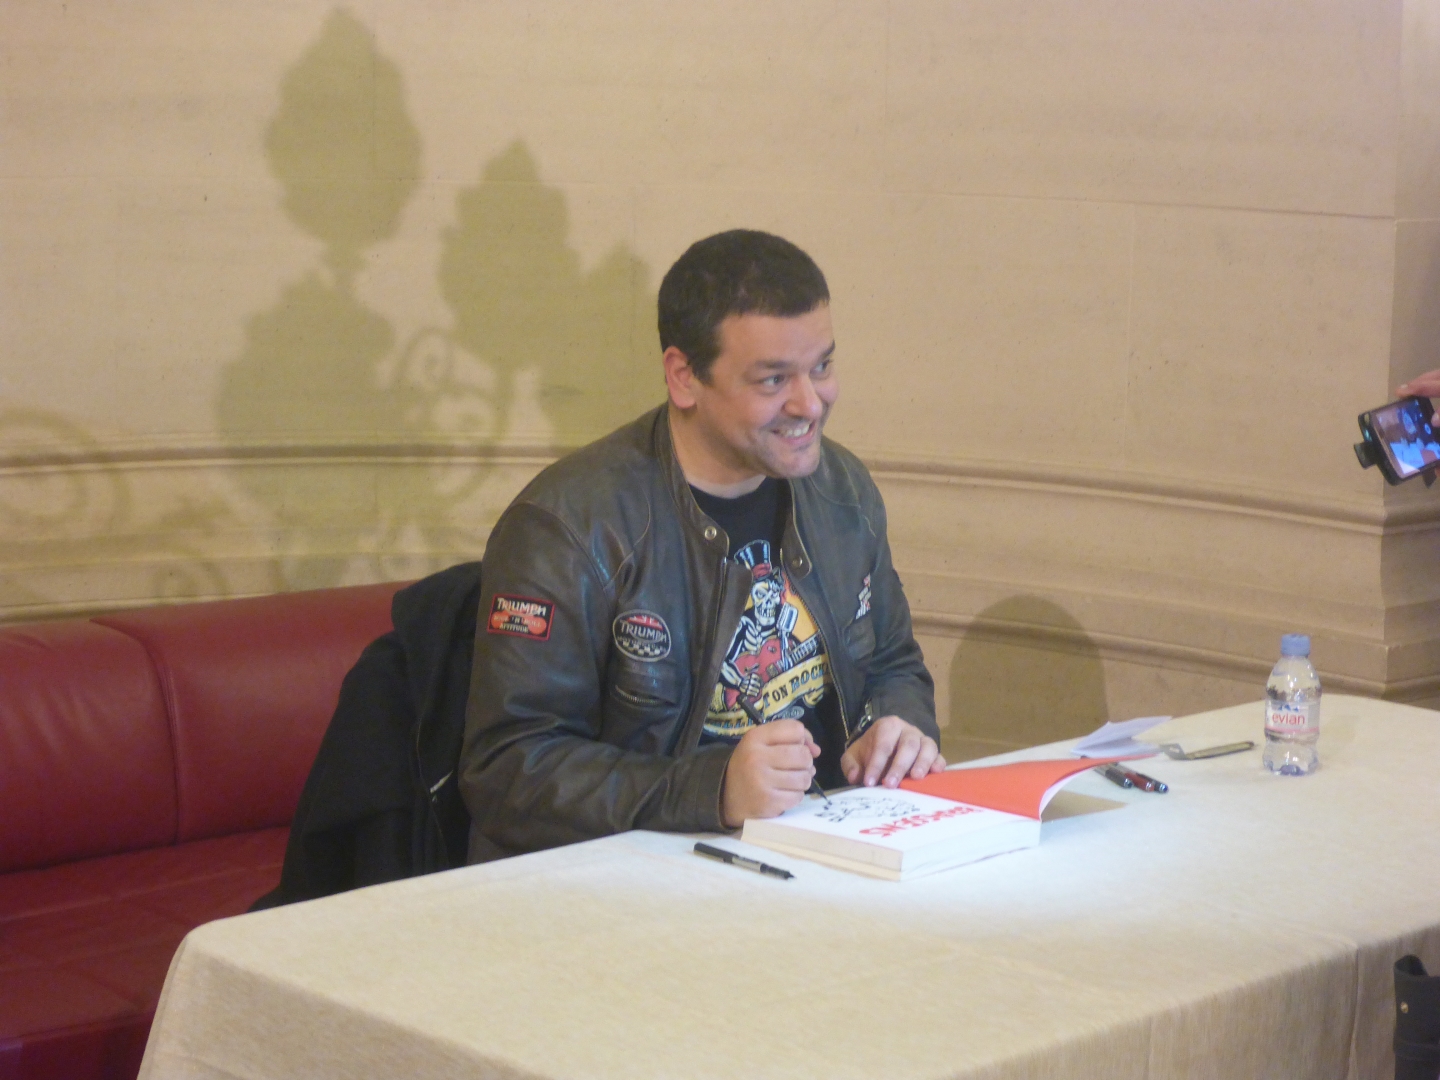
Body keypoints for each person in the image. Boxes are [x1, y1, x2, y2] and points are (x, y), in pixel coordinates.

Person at [459, 229, 942, 864]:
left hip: (818, 852)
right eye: (773, 379)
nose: (810, 403)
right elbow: (507, 769)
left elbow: (893, 663)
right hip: (631, 879)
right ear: (684, 377)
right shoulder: (568, 527)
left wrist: (899, 728)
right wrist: (711, 789)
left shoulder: (842, 490)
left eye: (822, 367)